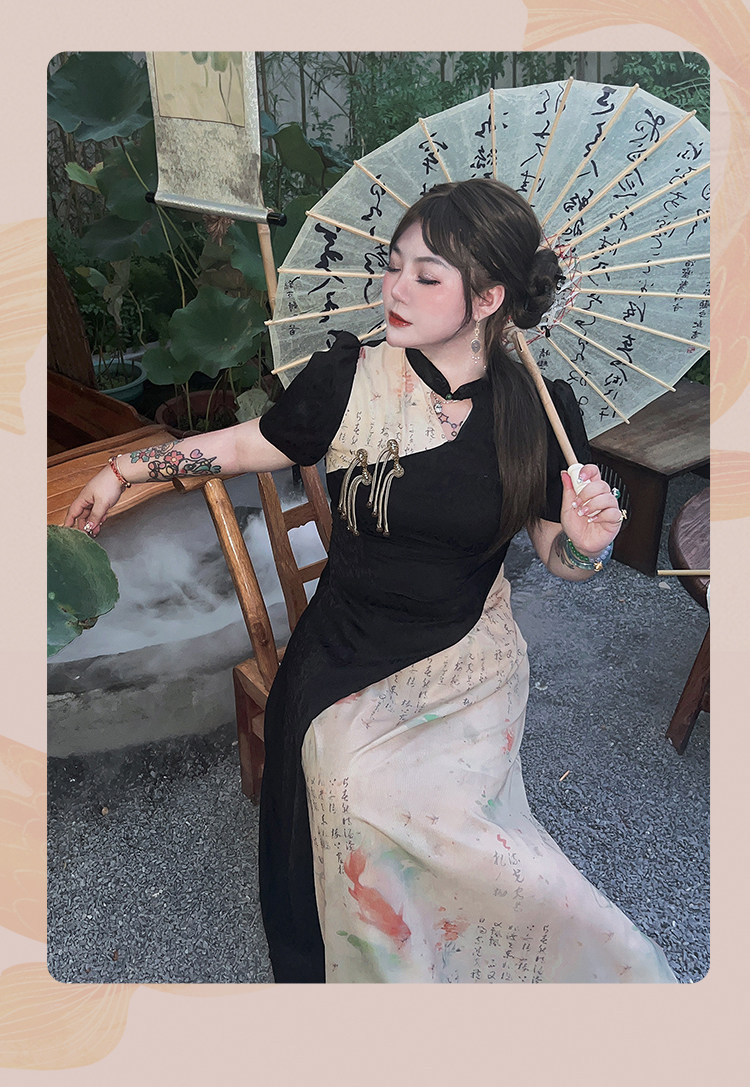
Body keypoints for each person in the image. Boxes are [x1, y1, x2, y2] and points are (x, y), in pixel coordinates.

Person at [65, 178, 676, 984]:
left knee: (469, 841)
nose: (394, 289)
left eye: (426, 276)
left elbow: (557, 556)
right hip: (346, 646)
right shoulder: (351, 376)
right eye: (393, 267)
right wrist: (124, 468)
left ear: (488, 297)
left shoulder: (539, 410)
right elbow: (245, 446)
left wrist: (588, 543)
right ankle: (374, 974)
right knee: (353, 787)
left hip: (468, 655)